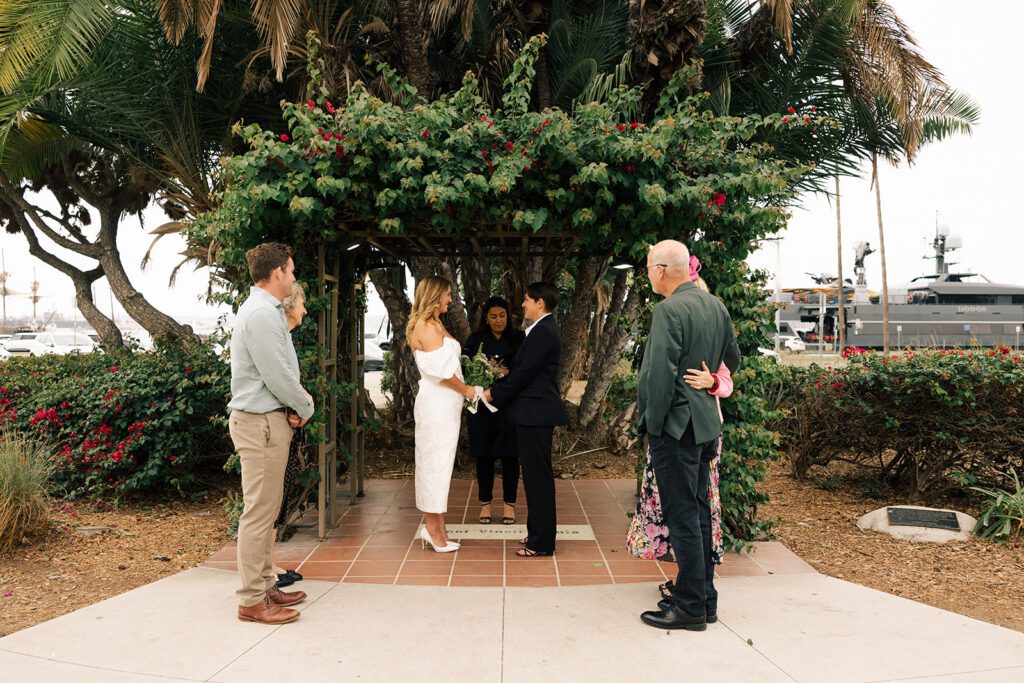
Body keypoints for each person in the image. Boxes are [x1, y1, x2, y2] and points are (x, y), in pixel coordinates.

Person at [636, 240, 740, 631]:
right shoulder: (715, 305)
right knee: (698, 513)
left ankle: (690, 606)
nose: (648, 274)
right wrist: (709, 376)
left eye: (648, 267)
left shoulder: (669, 309)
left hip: (675, 428)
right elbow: (734, 359)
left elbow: (658, 376)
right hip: (705, 427)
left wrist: (652, 423)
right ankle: (705, 599)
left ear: (662, 270)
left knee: (683, 516)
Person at [228, 243, 313, 625]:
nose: (294, 278)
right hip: (258, 423)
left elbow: (279, 372)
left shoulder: (267, 311)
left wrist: (290, 407)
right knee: (259, 513)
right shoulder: (261, 313)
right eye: (291, 271)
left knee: (266, 509)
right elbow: (276, 374)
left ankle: (264, 586)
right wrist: (305, 405)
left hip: (268, 419)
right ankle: (250, 599)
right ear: (276, 272)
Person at [485, 282, 568, 557]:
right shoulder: (540, 330)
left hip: (536, 413)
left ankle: (541, 543)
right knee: (534, 477)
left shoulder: (544, 331)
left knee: (538, 478)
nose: (522, 304)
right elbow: (521, 371)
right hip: (532, 413)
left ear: (540, 303)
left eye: (527, 300)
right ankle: (537, 534)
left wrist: (492, 394)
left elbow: (525, 376)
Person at [408, 275, 480, 552]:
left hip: (446, 406)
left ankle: (439, 529)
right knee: (433, 467)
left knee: (441, 466)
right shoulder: (426, 326)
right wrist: (466, 390)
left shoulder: (436, 323)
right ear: (436, 296)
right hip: (436, 404)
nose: (451, 299)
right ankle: (433, 531)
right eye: (448, 294)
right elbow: (442, 373)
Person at [462, 296, 524, 525]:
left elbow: (524, 371)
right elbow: (464, 369)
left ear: (508, 316)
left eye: (502, 315)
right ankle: (485, 505)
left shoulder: (519, 338)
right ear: (486, 319)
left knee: (510, 456)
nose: (498, 320)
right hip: (481, 406)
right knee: (484, 456)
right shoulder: (475, 339)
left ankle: (509, 506)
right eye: (493, 316)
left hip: (510, 405)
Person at [271, 282, 308, 588]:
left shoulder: (284, 336)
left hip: (287, 422)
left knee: (278, 500)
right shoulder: (275, 335)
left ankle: (269, 563)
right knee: (269, 503)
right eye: (302, 304)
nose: (305, 310)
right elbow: (279, 379)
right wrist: (303, 407)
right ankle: (265, 568)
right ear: (289, 306)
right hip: (275, 424)